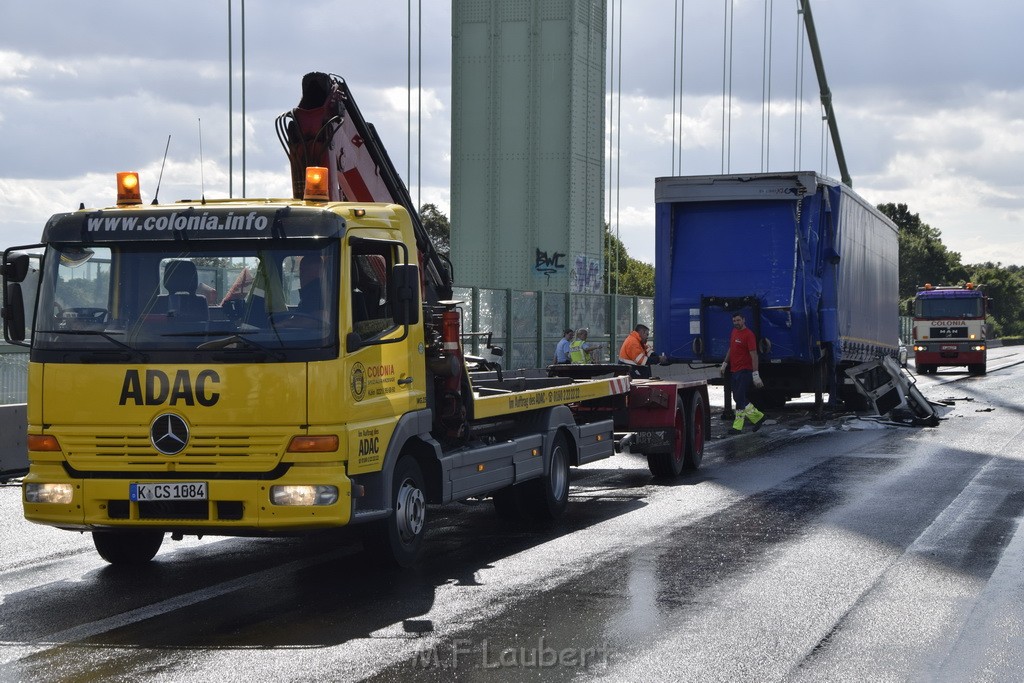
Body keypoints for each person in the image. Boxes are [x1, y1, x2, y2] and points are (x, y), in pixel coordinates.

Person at [720, 312, 765, 434]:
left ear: (744, 320)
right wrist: (725, 363)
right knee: (737, 398)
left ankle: (740, 425)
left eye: (738, 320)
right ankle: (755, 418)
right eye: (734, 321)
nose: (736, 323)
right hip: (734, 370)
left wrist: (755, 374)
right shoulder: (734, 332)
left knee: (739, 398)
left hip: (744, 371)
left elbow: (754, 355)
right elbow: (731, 348)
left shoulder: (748, 335)